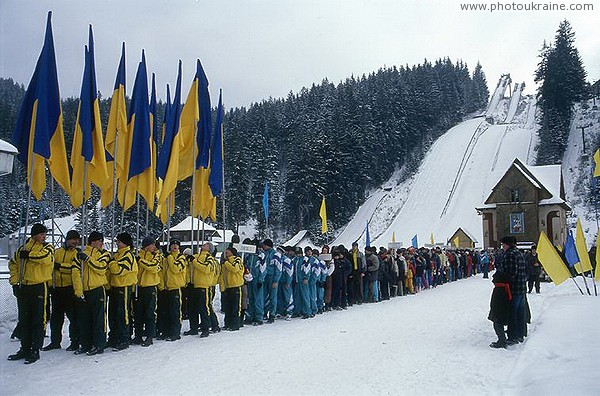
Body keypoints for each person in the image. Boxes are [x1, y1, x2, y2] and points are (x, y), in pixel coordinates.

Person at [8, 223, 54, 364]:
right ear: (34, 235)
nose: (44, 236)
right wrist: (15, 282)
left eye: (45, 234)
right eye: (41, 234)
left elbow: (44, 258)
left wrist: (29, 255)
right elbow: (13, 264)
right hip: (24, 287)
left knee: (38, 319)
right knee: (24, 319)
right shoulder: (22, 249)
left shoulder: (48, 248)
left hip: (39, 286)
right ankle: (25, 347)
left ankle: (35, 349)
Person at [72, 231, 110, 356]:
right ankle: (85, 344)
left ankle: (99, 344)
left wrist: (89, 259)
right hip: (84, 291)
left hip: (97, 289)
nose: (101, 244)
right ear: (92, 241)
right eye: (99, 241)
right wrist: (79, 292)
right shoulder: (79, 256)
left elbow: (101, 268)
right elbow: (75, 274)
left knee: (99, 319)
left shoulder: (103, 254)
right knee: (84, 320)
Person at [43, 230, 81, 352]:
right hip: (56, 289)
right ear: (67, 239)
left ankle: (75, 341)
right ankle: (55, 342)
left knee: (73, 317)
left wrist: (59, 266)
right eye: (73, 239)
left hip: (69, 288)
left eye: (77, 239)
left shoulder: (78, 253)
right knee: (56, 318)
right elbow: (49, 265)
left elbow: (74, 268)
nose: (75, 242)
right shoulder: (56, 252)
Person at [107, 232, 138, 351]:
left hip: (124, 286)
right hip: (115, 286)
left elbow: (118, 270)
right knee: (113, 313)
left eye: (119, 242)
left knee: (123, 313)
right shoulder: (118, 255)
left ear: (125, 243)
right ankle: (114, 337)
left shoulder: (128, 255)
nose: (117, 244)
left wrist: (111, 263)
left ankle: (125, 338)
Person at [133, 236, 162, 347]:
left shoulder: (157, 255)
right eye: (152, 244)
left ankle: (150, 336)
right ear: (147, 246)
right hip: (139, 287)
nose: (154, 247)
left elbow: (153, 266)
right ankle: (138, 336)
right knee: (138, 313)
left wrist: (141, 261)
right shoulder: (139, 255)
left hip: (150, 287)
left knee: (150, 313)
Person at [187, 241, 218, 338]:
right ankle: (194, 328)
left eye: (206, 245)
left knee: (204, 308)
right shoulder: (197, 256)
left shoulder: (210, 258)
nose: (203, 245)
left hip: (204, 286)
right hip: (194, 285)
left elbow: (206, 269)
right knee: (192, 309)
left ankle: (206, 328)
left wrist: (194, 261)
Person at [500, 236, 527, 344]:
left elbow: (511, 272)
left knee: (512, 313)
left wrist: (502, 277)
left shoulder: (510, 254)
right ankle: (520, 334)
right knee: (520, 313)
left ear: (508, 244)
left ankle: (513, 336)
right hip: (521, 288)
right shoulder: (519, 253)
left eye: (503, 245)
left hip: (513, 289)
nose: (502, 247)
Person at [163, 239, 187, 341]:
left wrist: (169, 257)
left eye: (177, 245)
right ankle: (168, 331)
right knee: (168, 312)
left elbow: (175, 269)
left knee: (175, 311)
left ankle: (176, 332)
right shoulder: (167, 258)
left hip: (176, 287)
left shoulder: (181, 257)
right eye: (173, 244)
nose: (175, 246)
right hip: (167, 287)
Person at [221, 247, 245, 331]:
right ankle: (227, 323)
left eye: (228, 251)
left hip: (236, 286)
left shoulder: (237, 260)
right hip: (227, 287)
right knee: (228, 307)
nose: (226, 252)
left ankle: (235, 324)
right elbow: (223, 275)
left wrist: (226, 263)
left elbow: (235, 269)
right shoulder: (225, 262)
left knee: (235, 307)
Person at [488, 270, 512, 348]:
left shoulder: (499, 289)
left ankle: (502, 341)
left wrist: (493, 310)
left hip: (498, 311)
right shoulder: (504, 287)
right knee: (499, 325)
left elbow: (495, 302)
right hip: (502, 310)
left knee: (497, 325)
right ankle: (502, 340)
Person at [261, 239, 282, 323]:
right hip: (264, 278)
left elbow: (279, 269)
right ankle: (264, 313)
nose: (263, 246)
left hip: (272, 278)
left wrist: (276, 281)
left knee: (273, 297)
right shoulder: (264, 254)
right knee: (264, 296)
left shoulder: (276, 255)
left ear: (267, 245)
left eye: (264, 245)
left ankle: (272, 314)